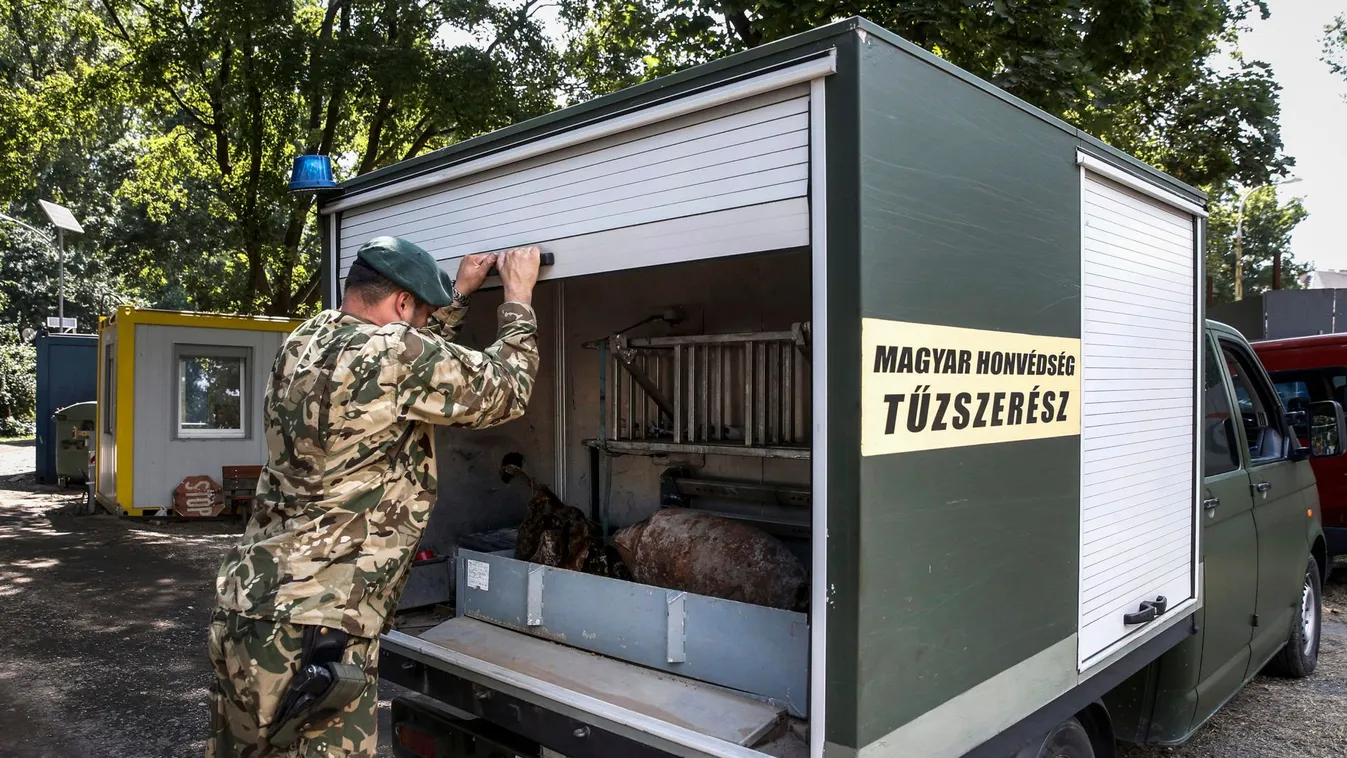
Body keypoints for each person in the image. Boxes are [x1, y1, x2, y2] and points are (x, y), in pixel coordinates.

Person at [206, 236, 542, 757]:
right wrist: (517, 298)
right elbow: (507, 389)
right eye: (421, 312)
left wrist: (451, 297)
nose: (426, 324)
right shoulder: (395, 355)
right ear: (403, 303)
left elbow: (409, 357)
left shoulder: (307, 339)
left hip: (249, 606)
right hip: (317, 626)